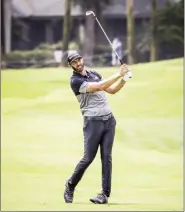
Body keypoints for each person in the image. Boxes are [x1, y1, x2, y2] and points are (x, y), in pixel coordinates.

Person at [64, 52, 131, 204]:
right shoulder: (75, 81)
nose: (78, 64)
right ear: (71, 66)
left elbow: (111, 90)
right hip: (93, 122)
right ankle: (70, 185)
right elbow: (100, 86)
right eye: (74, 63)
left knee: (106, 157)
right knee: (88, 158)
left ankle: (104, 195)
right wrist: (118, 73)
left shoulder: (94, 73)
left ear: (82, 59)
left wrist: (124, 79)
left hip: (109, 121)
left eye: (79, 60)